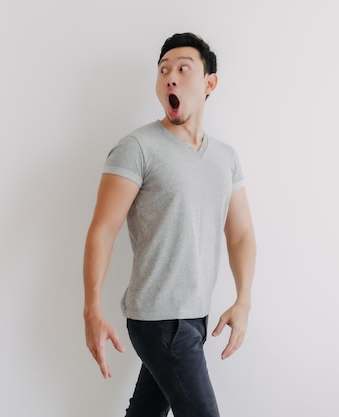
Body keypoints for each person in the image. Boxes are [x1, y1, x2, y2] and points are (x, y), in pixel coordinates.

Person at [82, 32, 256, 417]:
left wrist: (243, 299)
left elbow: (240, 234)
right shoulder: (138, 147)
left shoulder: (226, 158)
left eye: (182, 69)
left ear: (209, 83)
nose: (170, 78)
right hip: (159, 320)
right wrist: (92, 309)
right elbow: (103, 230)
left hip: (194, 317)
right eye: (163, 71)